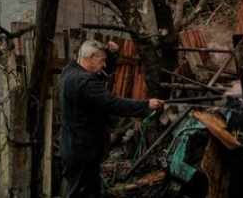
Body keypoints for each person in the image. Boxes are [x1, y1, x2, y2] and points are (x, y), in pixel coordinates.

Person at [59, 39, 164, 198]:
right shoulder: (83, 82)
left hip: (74, 147)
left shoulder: (70, 71)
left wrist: (110, 54)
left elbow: (99, 77)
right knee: (80, 193)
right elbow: (112, 103)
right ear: (91, 57)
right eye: (102, 61)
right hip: (82, 152)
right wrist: (145, 105)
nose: (104, 66)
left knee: (90, 192)